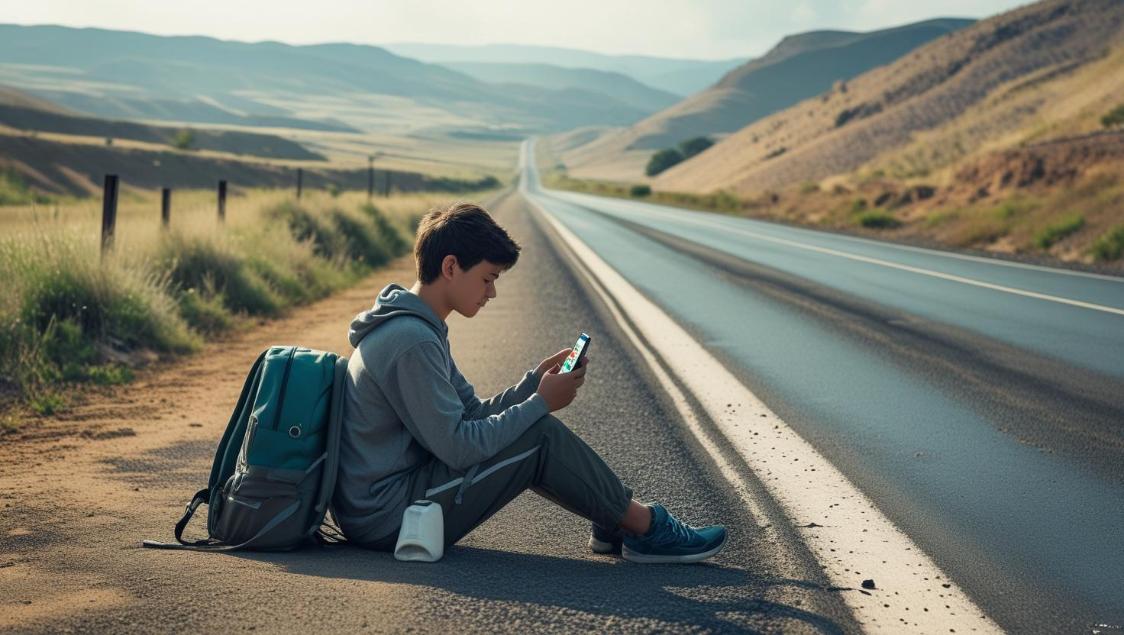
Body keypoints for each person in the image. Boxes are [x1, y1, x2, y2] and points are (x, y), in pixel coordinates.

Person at [332, 201, 726, 563]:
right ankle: (645, 528)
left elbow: (470, 414)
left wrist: (532, 385)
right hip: (387, 517)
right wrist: (539, 403)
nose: (493, 292)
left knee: (531, 428)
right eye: (487, 279)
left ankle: (617, 521)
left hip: (393, 499)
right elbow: (459, 447)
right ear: (450, 267)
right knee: (538, 435)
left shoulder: (418, 328)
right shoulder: (411, 342)